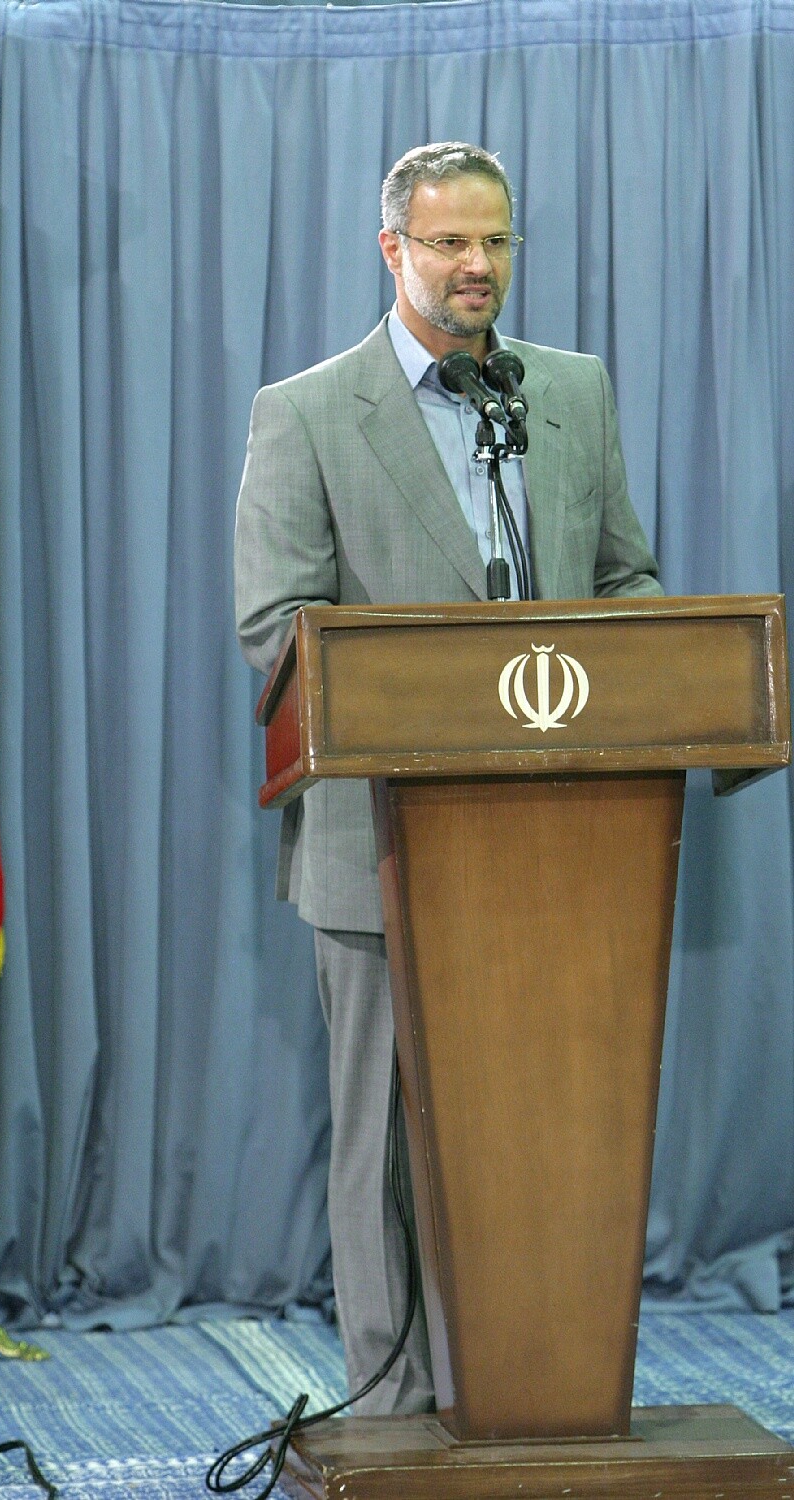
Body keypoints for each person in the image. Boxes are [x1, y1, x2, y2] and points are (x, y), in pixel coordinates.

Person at [233, 142, 662, 1415]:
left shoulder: (569, 392)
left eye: (495, 241)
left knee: (546, 1125)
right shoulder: (308, 411)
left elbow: (625, 579)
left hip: (566, 842)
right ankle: (389, 1404)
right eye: (449, 243)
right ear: (393, 250)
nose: (478, 265)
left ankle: (532, 1389)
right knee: (383, 1141)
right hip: (380, 844)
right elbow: (275, 628)